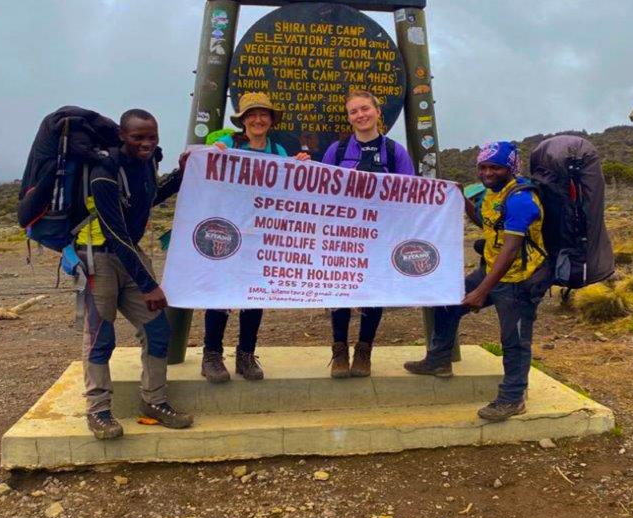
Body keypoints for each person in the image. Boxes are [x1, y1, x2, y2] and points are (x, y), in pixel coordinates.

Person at [404, 141, 552, 422]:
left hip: (518, 280)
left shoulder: (521, 200)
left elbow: (509, 251)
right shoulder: (493, 194)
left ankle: (512, 398)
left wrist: (481, 292)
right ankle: (439, 359)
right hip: (491, 273)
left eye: (495, 167)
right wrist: (462, 199)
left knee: (514, 341)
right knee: (447, 303)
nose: (487, 172)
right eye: (483, 167)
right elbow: (485, 223)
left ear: (510, 168)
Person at [76, 108, 192, 439]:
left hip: (130, 256)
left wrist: (180, 175)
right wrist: (149, 284)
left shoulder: (146, 164)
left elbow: (148, 198)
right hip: (97, 259)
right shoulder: (104, 171)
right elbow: (114, 231)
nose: (146, 142)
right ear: (122, 136)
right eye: (138, 137)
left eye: (151, 137)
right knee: (101, 336)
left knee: (157, 330)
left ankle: (154, 401)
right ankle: (98, 410)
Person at [200, 92, 310, 384]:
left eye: (263, 114)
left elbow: (289, 191)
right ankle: (211, 355)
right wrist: (215, 153)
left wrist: (300, 167)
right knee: (221, 295)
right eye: (251, 114)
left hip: (261, 236)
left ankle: (246, 354)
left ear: (271, 120)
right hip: (226, 232)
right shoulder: (227, 145)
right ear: (243, 120)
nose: (258, 119)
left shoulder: (279, 154)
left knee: (253, 296)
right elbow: (206, 166)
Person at [321, 89, 415, 379]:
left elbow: (410, 192)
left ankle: (364, 350)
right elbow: (318, 191)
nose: (360, 115)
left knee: (374, 291)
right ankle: (339, 351)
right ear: (349, 118)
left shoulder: (394, 151)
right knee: (339, 290)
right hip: (341, 234)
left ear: (377, 112)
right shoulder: (336, 151)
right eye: (354, 112)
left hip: (380, 236)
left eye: (365, 109)